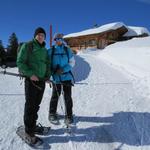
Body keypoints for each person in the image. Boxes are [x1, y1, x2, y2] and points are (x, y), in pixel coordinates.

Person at [17, 27, 50, 144]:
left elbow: (47, 63)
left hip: (41, 81)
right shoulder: (28, 46)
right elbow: (20, 62)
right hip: (31, 81)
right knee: (30, 106)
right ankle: (29, 132)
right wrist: (30, 74)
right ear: (35, 36)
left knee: (36, 106)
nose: (41, 37)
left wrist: (47, 76)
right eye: (39, 35)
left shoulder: (44, 50)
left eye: (43, 35)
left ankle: (33, 125)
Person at [48, 33, 75, 124]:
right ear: (54, 40)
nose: (58, 41)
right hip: (56, 77)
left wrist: (63, 70)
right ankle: (52, 113)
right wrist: (52, 71)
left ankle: (69, 115)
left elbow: (72, 63)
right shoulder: (51, 51)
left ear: (62, 40)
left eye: (60, 39)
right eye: (56, 39)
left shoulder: (67, 50)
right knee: (55, 96)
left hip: (66, 77)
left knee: (67, 97)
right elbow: (47, 64)